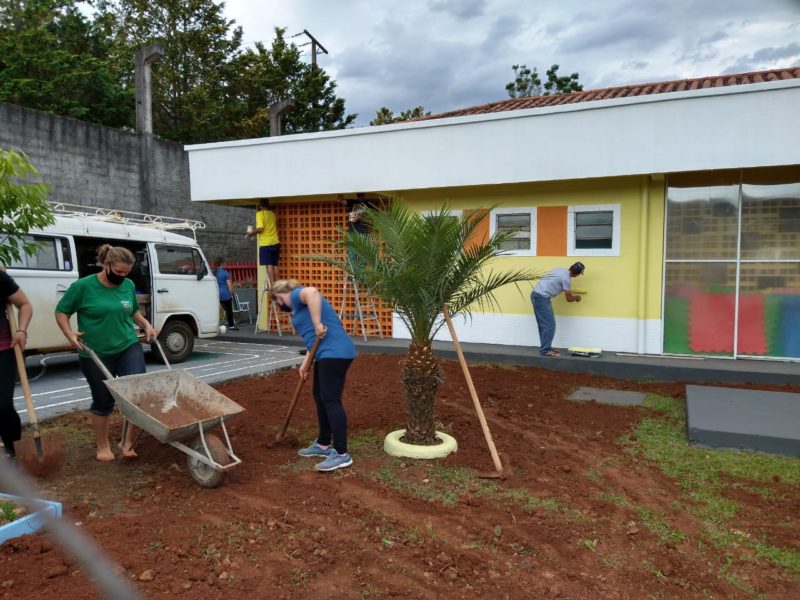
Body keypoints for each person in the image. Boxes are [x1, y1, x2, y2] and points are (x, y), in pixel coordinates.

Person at [55, 245, 158, 462]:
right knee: (103, 401)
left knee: (136, 395)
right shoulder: (83, 286)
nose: (122, 276)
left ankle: (126, 442)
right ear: (106, 264)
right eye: (118, 272)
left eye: (126, 273)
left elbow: (132, 311)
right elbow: (61, 311)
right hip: (95, 352)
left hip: (128, 345)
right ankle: (102, 446)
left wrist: (146, 324)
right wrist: (69, 334)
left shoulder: (128, 285)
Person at [270, 279, 357, 472]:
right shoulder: (300, 307)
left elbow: (312, 292)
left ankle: (342, 454)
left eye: (276, 300)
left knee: (330, 399)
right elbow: (312, 337)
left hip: (335, 352)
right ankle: (323, 444)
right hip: (324, 353)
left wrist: (318, 323)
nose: (278, 305)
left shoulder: (296, 295)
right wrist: (306, 363)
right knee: (320, 396)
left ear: (280, 295)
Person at [0, 267, 32, 460]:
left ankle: (13, 451)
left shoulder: (1, 278)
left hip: (3, 350)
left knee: (2, 405)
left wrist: (21, 330)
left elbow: (25, 304)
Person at [531, 262, 585, 357]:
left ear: (571, 267)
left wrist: (568, 290)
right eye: (580, 274)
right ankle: (545, 350)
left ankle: (546, 346)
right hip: (542, 298)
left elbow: (553, 283)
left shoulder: (560, 270)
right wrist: (577, 297)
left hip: (535, 294)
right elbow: (569, 299)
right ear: (577, 273)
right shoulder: (566, 279)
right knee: (549, 325)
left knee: (543, 325)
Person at [248, 198, 280, 285]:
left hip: (266, 243)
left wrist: (251, 234)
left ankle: (273, 285)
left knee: (269, 265)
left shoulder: (259, 214)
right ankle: (278, 284)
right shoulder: (273, 214)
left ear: (260, 205)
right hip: (275, 242)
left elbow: (260, 229)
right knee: (275, 265)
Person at [214, 257, 238, 331]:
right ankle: (231, 326)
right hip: (225, 295)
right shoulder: (225, 273)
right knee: (229, 310)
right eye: (224, 263)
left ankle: (215, 325)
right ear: (222, 263)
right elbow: (229, 285)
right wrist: (232, 293)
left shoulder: (213, 272)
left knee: (216, 310)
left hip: (216, 294)